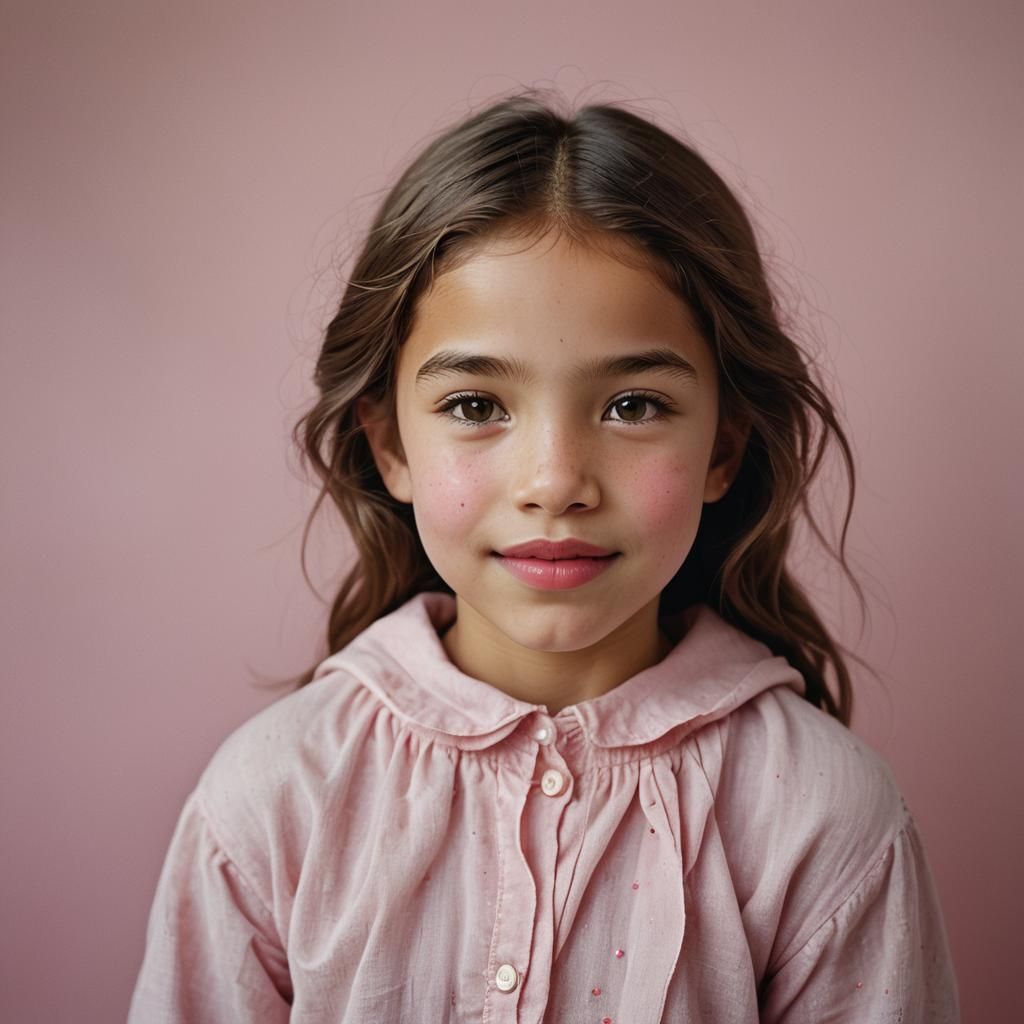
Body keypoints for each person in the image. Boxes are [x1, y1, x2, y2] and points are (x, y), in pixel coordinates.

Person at [128, 91, 960, 1022]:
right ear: (390, 445)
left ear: (724, 446)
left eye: (633, 405)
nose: (556, 481)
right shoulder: (274, 798)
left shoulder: (824, 819)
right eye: (477, 406)